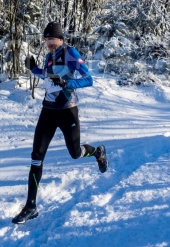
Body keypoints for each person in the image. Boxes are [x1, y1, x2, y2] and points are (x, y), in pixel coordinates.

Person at [12, 21, 108, 224]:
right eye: (46, 39)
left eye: (51, 39)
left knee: (75, 153)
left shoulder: (71, 53)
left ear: (60, 38)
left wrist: (67, 82)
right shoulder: (49, 57)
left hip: (67, 111)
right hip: (48, 111)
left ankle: (97, 152)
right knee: (36, 156)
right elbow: (48, 78)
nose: (48, 43)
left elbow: (88, 79)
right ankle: (31, 206)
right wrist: (34, 69)